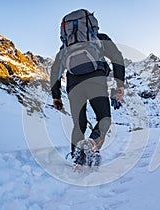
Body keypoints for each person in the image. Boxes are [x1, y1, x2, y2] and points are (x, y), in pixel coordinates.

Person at [50, 9, 125, 166]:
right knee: (104, 118)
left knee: (79, 124)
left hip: (73, 85)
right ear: (92, 25)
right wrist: (119, 85)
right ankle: (93, 143)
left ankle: (78, 161)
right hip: (96, 80)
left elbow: (55, 70)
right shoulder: (100, 39)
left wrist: (56, 95)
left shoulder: (65, 47)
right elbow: (117, 58)